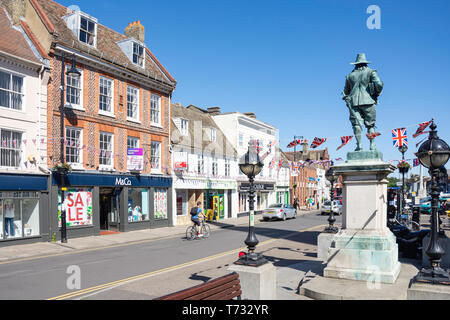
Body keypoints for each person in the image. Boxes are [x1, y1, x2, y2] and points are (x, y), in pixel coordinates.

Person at [342, 53, 383, 151]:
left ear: (356, 64)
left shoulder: (350, 76)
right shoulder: (371, 72)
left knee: (356, 124)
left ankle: (359, 145)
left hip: (354, 103)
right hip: (368, 101)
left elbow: (346, 92)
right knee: (370, 125)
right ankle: (372, 145)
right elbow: (379, 84)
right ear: (365, 63)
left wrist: (346, 98)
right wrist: (375, 93)